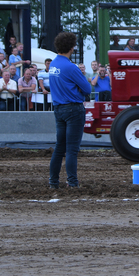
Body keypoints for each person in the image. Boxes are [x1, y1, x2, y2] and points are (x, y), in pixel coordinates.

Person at [49, 32, 92, 189]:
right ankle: (72, 182)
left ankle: (53, 181)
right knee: (72, 149)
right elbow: (87, 88)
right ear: (71, 48)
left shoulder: (53, 65)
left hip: (58, 108)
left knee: (59, 147)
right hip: (73, 109)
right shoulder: (70, 67)